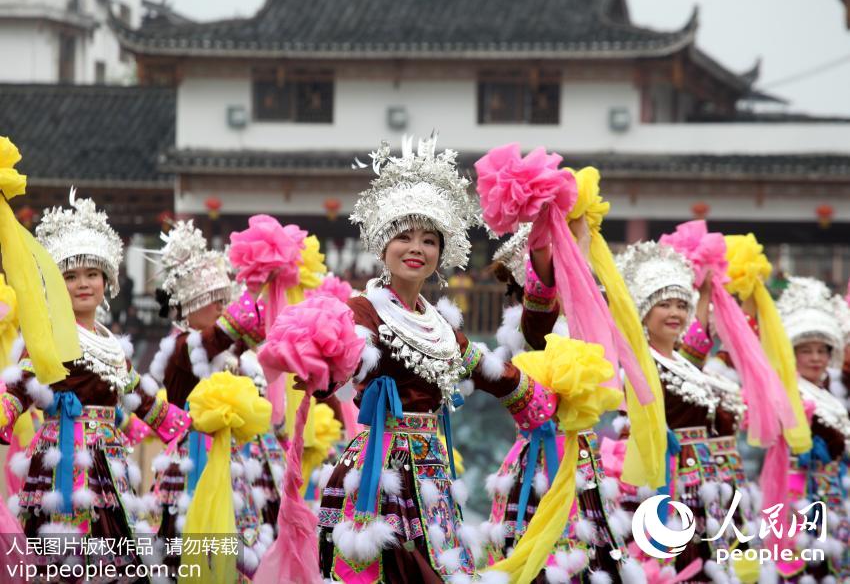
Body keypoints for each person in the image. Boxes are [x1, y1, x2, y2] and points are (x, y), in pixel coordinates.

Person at [313, 137, 560, 582]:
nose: (417, 248)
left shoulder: (441, 326)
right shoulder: (364, 309)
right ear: (382, 244)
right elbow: (346, 358)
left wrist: (545, 403)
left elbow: (491, 372)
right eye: (404, 236)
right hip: (378, 474)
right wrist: (321, 365)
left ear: (440, 255)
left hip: (432, 472)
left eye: (429, 240)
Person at [0, 191, 190, 578]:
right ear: (55, 285)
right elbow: (20, 386)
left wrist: (181, 424)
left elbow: (134, 391)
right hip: (62, 462)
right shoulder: (47, 336)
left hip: (109, 462)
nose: (82, 284)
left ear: (107, 280)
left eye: (91, 274)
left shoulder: (109, 340)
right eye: (69, 276)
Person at [483, 223, 638, 582]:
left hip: (582, 459)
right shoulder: (538, 327)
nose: (585, 288)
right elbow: (548, 289)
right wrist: (544, 238)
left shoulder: (575, 327)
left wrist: (579, 241)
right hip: (545, 463)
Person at [146, 220, 277, 578]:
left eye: (224, 299)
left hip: (234, 460)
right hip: (194, 461)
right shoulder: (181, 349)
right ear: (189, 305)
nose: (222, 307)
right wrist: (260, 285)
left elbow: (254, 335)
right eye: (213, 300)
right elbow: (227, 333)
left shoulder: (230, 355)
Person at [617, 241, 747, 582]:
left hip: (701, 478)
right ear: (644, 312)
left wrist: (704, 293)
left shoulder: (685, 365)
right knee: (673, 561)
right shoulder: (639, 362)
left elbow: (698, 341)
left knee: (705, 561)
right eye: (664, 305)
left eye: (680, 304)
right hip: (666, 477)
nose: (674, 312)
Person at [776, 277, 850, 581]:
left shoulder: (831, 395)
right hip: (796, 494)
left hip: (832, 493)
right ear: (792, 353)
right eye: (807, 350)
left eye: (822, 350)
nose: (816, 358)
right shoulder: (785, 393)